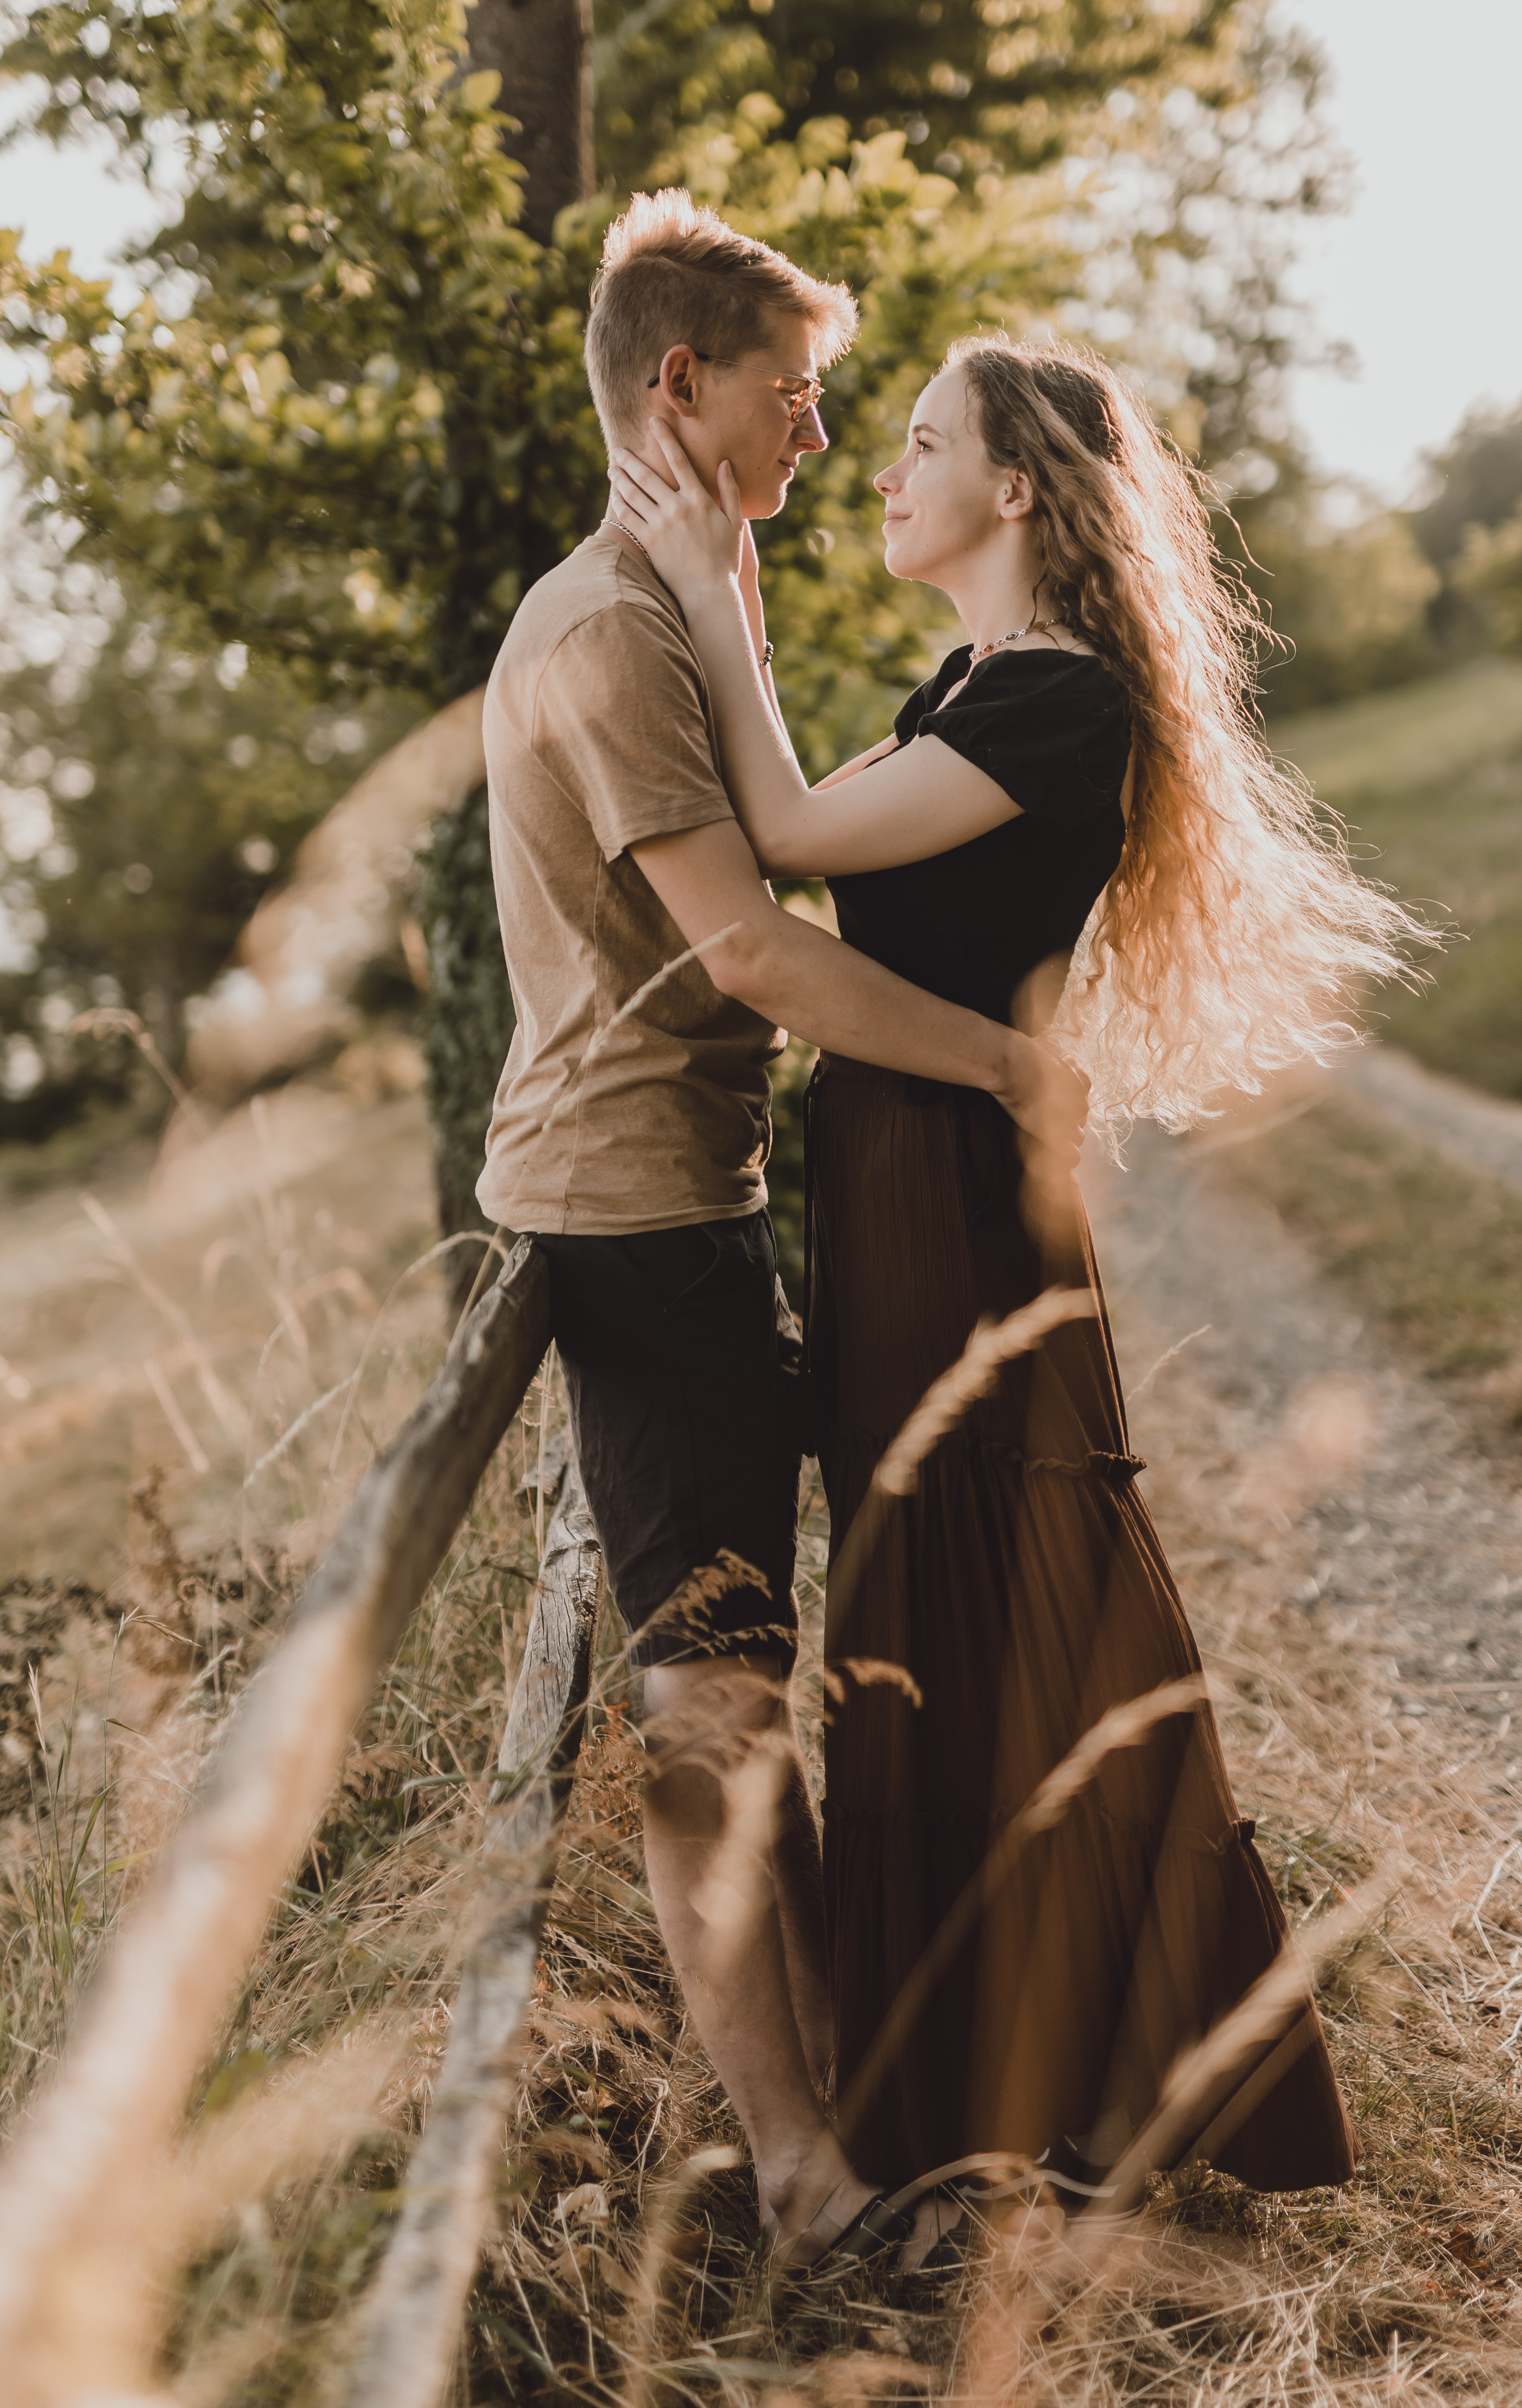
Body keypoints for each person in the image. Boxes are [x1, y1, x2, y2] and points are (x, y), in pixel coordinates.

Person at [606, 332, 1427, 2256]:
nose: (880, 473)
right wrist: (714, 585)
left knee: (991, 1599)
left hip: (957, 1196)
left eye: (917, 446)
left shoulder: (1055, 705)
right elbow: (816, 823)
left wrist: (714, 583)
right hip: (903, 1179)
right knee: (932, 1598)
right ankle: (998, 2084)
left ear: (1019, 491)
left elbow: (792, 846)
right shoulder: (976, 677)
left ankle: (1090, 2074)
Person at [477, 196, 1087, 2269]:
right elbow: (758, 952)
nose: (820, 434)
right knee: (709, 1709)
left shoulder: (664, 609)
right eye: (795, 393)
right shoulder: (603, 632)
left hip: (694, 1196)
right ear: (682, 387)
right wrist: (1012, 1073)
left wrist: (720, 589)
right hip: (630, 1213)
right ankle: (809, 2180)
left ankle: (863, 2120)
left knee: (746, 1670)